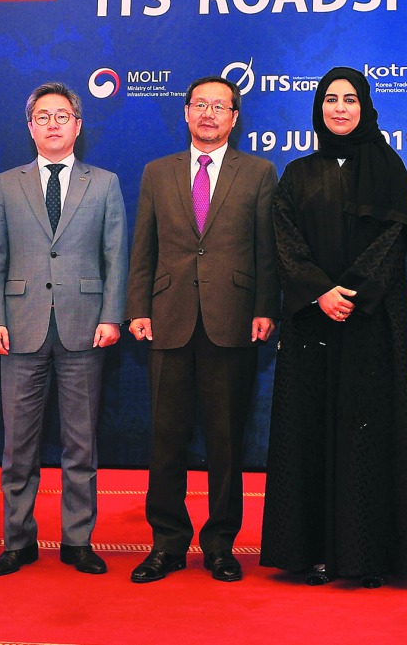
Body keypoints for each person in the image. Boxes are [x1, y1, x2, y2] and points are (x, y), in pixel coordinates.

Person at [260, 67, 407, 588]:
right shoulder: (297, 174)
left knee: (366, 438)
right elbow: (283, 241)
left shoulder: (388, 168)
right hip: (313, 325)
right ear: (318, 109)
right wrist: (319, 292)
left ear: (365, 107)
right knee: (308, 433)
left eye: (349, 100)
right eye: (330, 100)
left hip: (370, 326)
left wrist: (350, 292)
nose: (339, 109)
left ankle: (366, 555)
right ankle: (307, 553)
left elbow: (393, 237)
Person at [126, 75, 278, 584]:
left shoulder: (258, 173)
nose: (209, 114)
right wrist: (137, 308)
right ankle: (166, 543)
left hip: (231, 321)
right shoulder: (156, 172)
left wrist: (264, 308)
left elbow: (265, 250)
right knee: (165, 440)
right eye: (200, 105)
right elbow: (142, 247)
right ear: (186, 113)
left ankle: (219, 545)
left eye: (221, 106)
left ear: (235, 118)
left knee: (225, 442)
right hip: (167, 319)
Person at [0, 82, 128, 577]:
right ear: (30, 127)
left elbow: (114, 257)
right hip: (19, 328)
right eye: (43, 117)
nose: (53, 124)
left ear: (78, 125)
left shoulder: (104, 183)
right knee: (18, 443)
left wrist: (111, 316)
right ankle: (17, 541)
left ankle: (77, 541)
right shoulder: (6, 183)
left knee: (80, 443)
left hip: (85, 328)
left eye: (62, 116)